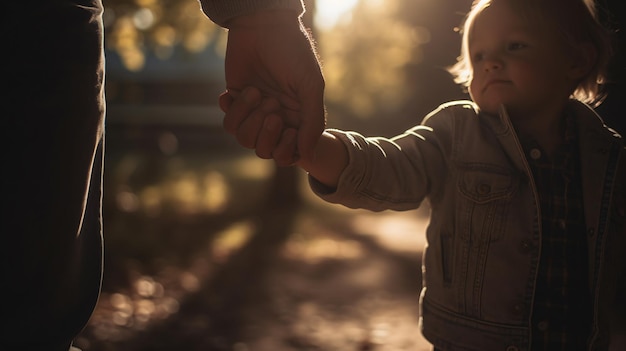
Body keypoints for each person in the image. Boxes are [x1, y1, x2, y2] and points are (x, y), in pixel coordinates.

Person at [220, 0, 626, 349]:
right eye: (479, 56)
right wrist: (310, 145)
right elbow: (387, 166)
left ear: (577, 59)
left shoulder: (609, 157)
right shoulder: (456, 134)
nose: (492, 63)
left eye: (515, 46)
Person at [0, 0, 320, 350]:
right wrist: (262, 17)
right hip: (39, 30)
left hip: (39, 28)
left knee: (31, 315)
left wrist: (261, 16)